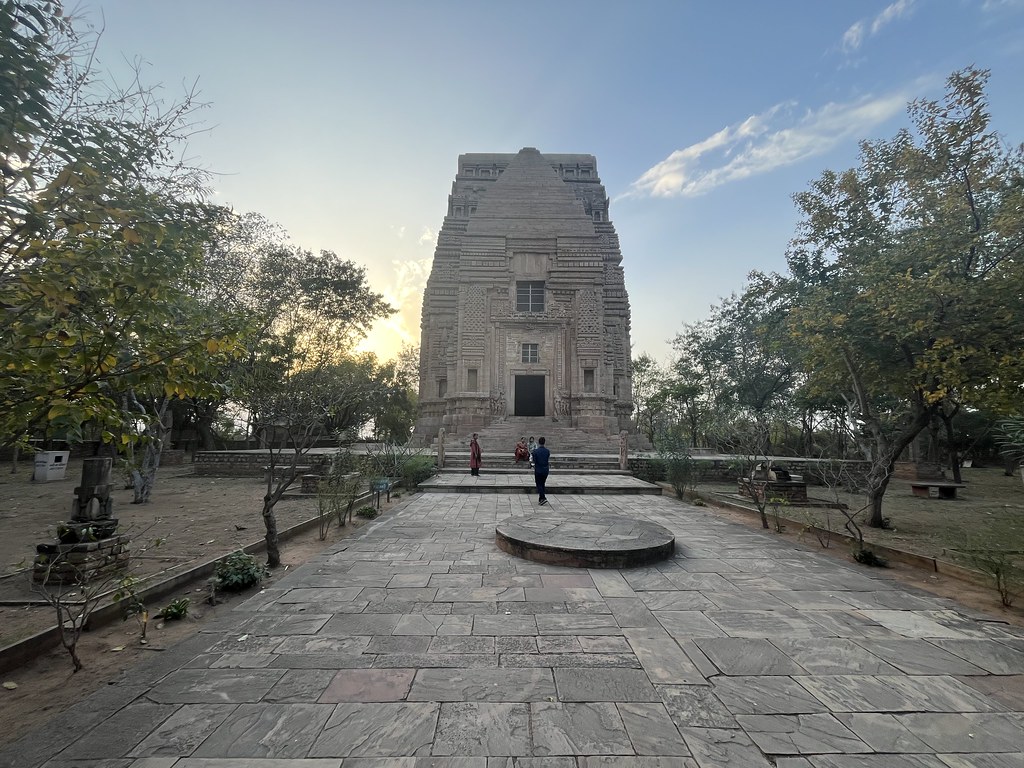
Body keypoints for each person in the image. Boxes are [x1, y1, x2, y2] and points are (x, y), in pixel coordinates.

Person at [532, 436, 550, 505]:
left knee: (539, 484)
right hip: (545, 470)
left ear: (539, 442)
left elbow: (534, 460)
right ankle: (541, 499)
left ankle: (543, 497)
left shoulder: (535, 451)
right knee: (542, 484)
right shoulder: (547, 451)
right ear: (544, 442)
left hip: (538, 469)